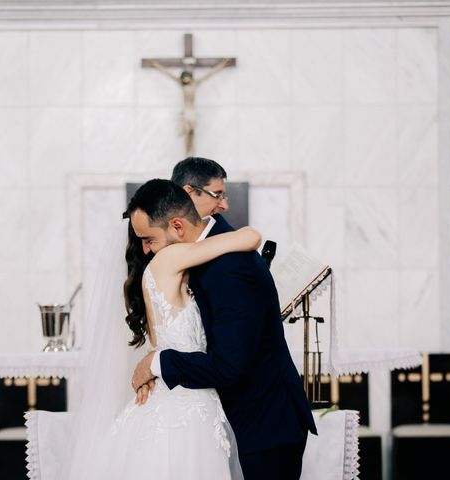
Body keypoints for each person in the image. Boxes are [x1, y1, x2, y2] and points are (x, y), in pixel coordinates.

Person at [63, 180, 260, 479]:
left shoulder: (155, 274)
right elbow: (249, 237)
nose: (146, 248)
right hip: (189, 405)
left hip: (176, 395)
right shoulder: (168, 259)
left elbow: (163, 345)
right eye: (142, 240)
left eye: (148, 239)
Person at [130, 180, 317, 479]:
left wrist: (157, 362)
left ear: (177, 226)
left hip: (263, 423)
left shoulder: (229, 268)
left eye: (150, 238)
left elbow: (230, 366)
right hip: (219, 417)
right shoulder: (202, 258)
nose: (147, 249)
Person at [149, 59, 231, 155]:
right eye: (183, 78)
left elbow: (210, 73)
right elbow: (168, 74)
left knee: (192, 133)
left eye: (186, 77)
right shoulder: (181, 84)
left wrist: (223, 64)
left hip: (192, 111)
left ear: (190, 77)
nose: (185, 80)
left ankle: (191, 153)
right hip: (186, 111)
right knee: (187, 133)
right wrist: (156, 65)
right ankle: (187, 153)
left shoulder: (195, 83)